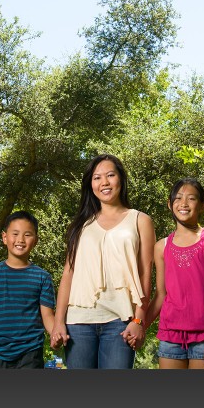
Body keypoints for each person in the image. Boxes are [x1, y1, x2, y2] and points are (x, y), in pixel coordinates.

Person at [50, 154, 155, 369]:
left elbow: (145, 274)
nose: (104, 182)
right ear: (91, 184)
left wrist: (139, 321)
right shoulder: (80, 225)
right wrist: (58, 321)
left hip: (120, 321)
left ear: (121, 179)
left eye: (110, 175)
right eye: (97, 178)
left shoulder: (140, 220)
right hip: (78, 321)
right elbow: (68, 275)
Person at [144, 178, 204, 369]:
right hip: (170, 336)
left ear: (202, 206)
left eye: (191, 199)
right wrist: (141, 327)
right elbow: (160, 295)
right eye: (178, 198)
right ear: (169, 203)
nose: (183, 203)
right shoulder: (161, 247)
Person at [0, 210, 56, 369]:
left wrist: (57, 334)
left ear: (36, 240)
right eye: (15, 233)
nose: (21, 240)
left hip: (30, 353)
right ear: (4, 237)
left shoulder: (42, 277)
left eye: (27, 235)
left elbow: (48, 317)